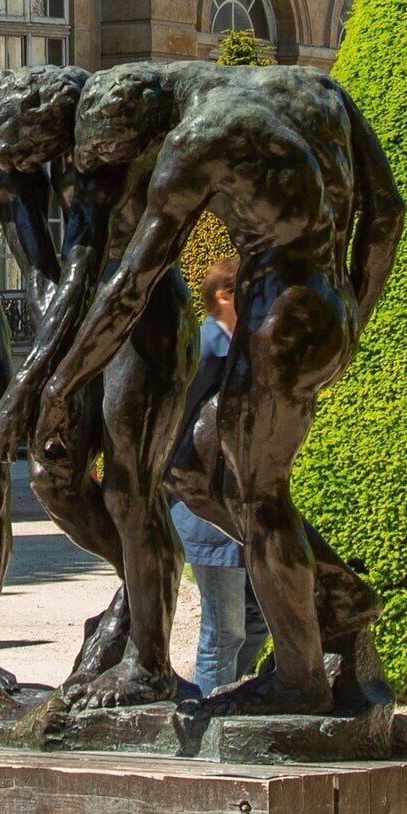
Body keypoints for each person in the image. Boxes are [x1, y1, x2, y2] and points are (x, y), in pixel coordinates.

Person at [171, 256, 270, 695]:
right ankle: (210, 707)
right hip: (206, 508)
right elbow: (173, 426)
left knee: (258, 620)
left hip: (243, 505)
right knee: (225, 630)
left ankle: (230, 695)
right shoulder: (206, 346)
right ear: (225, 296)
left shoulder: (244, 346)